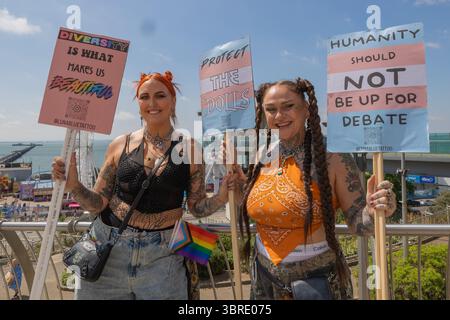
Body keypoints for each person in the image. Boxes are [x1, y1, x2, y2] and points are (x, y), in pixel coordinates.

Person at [52, 71, 238, 300]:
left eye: (160, 95)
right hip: (109, 251)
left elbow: (196, 207)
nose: (152, 103)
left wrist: (221, 196)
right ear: (138, 103)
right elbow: (98, 203)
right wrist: (73, 185)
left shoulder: (190, 149)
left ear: (173, 101)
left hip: (162, 259)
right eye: (144, 97)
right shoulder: (120, 145)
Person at [237, 78, 397, 300]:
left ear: (307, 110)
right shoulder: (262, 154)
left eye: (288, 106)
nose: (279, 115)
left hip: (316, 284)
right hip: (263, 278)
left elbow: (360, 226)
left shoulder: (334, 156)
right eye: (271, 109)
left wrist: (374, 210)